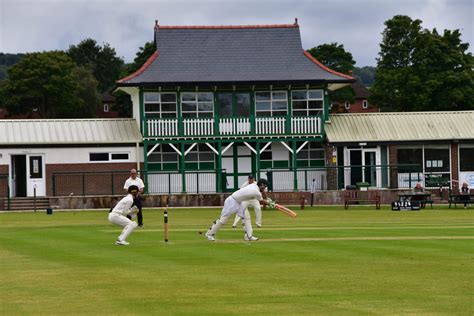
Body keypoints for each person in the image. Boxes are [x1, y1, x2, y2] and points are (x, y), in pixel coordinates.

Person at [205, 178, 271, 242]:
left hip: (239, 202)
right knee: (223, 220)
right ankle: (209, 234)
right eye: (264, 186)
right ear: (261, 184)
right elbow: (262, 201)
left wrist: (269, 202)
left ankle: (249, 236)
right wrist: (270, 203)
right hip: (231, 201)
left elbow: (262, 197)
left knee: (246, 217)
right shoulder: (256, 192)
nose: (265, 188)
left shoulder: (254, 185)